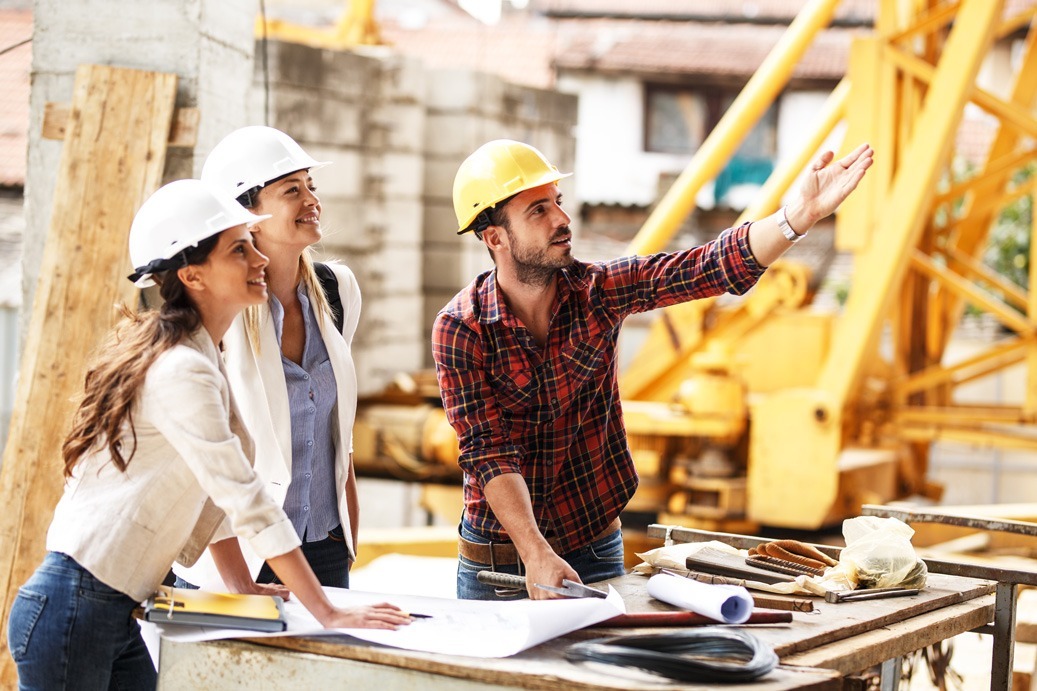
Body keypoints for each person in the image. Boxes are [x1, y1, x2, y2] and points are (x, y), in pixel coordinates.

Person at [6, 180, 410, 690]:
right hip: (75, 609)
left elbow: (208, 496)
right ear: (193, 274)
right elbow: (243, 496)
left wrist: (243, 586)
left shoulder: (202, 357)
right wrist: (327, 611)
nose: (258, 258)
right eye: (239, 249)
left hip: (102, 607)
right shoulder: (182, 371)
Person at [432, 139, 874, 600]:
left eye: (557, 203)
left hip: (593, 547)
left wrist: (796, 217)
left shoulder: (597, 293)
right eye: (537, 211)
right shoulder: (461, 329)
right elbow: (488, 451)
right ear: (495, 238)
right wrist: (534, 551)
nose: (562, 220)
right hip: (499, 562)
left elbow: (705, 267)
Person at [174, 126, 362, 591]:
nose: (311, 200)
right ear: (245, 213)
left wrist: (347, 541)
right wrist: (238, 581)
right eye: (291, 190)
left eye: (311, 186)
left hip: (324, 545)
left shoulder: (339, 291)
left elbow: (338, 431)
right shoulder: (219, 312)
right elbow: (208, 464)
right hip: (238, 554)